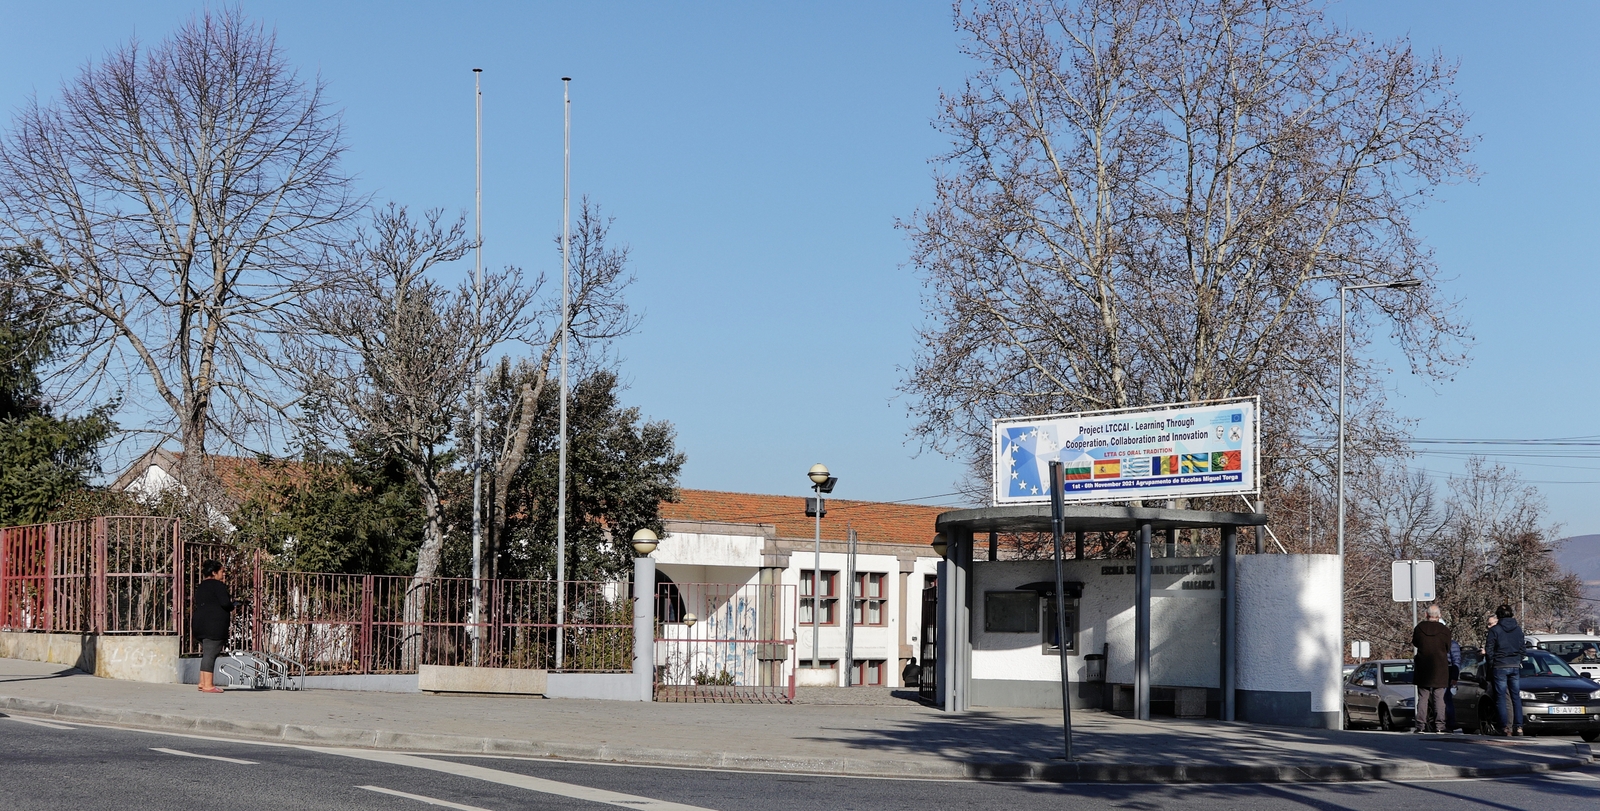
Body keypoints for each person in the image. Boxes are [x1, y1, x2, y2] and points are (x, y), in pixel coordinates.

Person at [1483, 604, 1526, 736]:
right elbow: (1523, 650)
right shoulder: (1518, 630)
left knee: (1501, 697)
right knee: (1515, 697)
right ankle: (1519, 727)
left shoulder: (1495, 630)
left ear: (1498, 615)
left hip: (1500, 665)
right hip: (1514, 665)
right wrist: (1517, 659)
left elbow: (1489, 650)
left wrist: (1492, 664)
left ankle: (1504, 727)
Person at [192, 559, 235, 694]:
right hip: (213, 625)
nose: (224, 575)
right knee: (211, 653)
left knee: (207, 653)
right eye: (222, 572)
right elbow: (225, 603)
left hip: (199, 623)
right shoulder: (218, 586)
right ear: (214, 572)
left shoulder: (201, 586)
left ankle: (202, 682)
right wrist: (233, 605)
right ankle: (208, 685)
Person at [1411, 604, 1452, 733]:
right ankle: (1440, 726)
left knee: (1423, 697)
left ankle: (1420, 725)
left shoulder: (1419, 628)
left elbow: (1416, 642)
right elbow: (1448, 647)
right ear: (1439, 616)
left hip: (1423, 666)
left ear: (1426, 615)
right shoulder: (1445, 630)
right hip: (1440, 667)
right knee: (1439, 697)